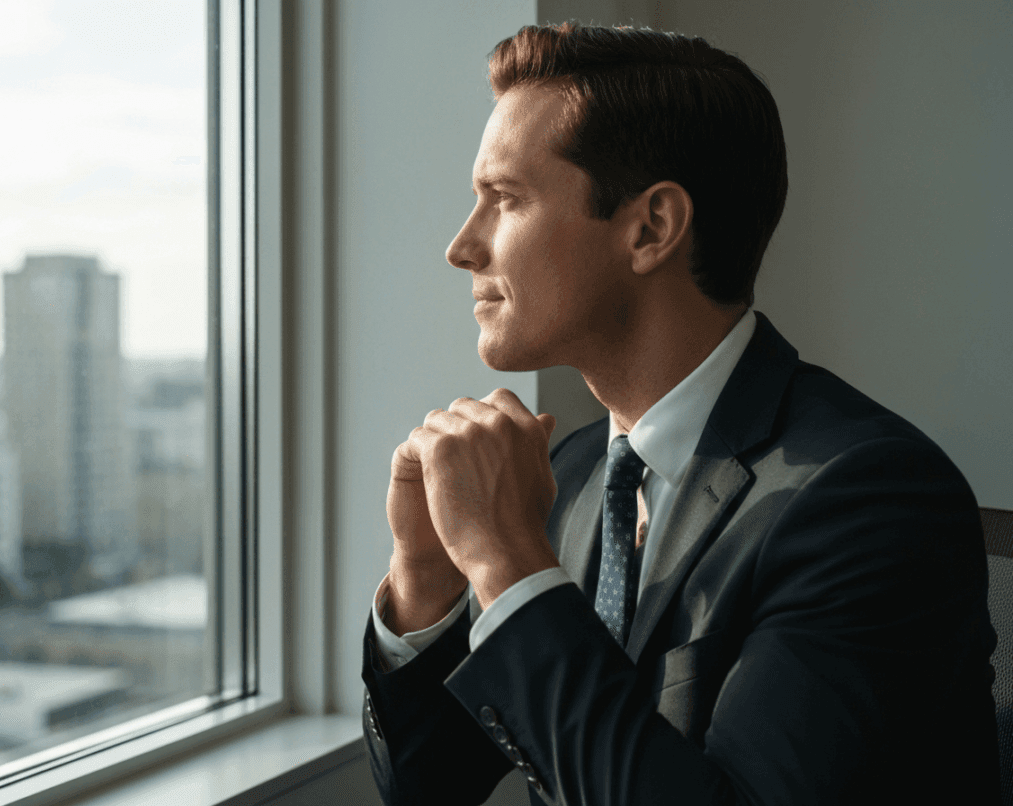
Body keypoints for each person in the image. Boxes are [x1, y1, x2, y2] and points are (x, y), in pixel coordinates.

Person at [360, 21, 1000, 806]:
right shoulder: (567, 473)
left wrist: (504, 563)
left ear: (651, 228)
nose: (462, 246)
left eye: (505, 199)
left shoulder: (869, 500)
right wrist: (424, 578)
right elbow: (429, 787)